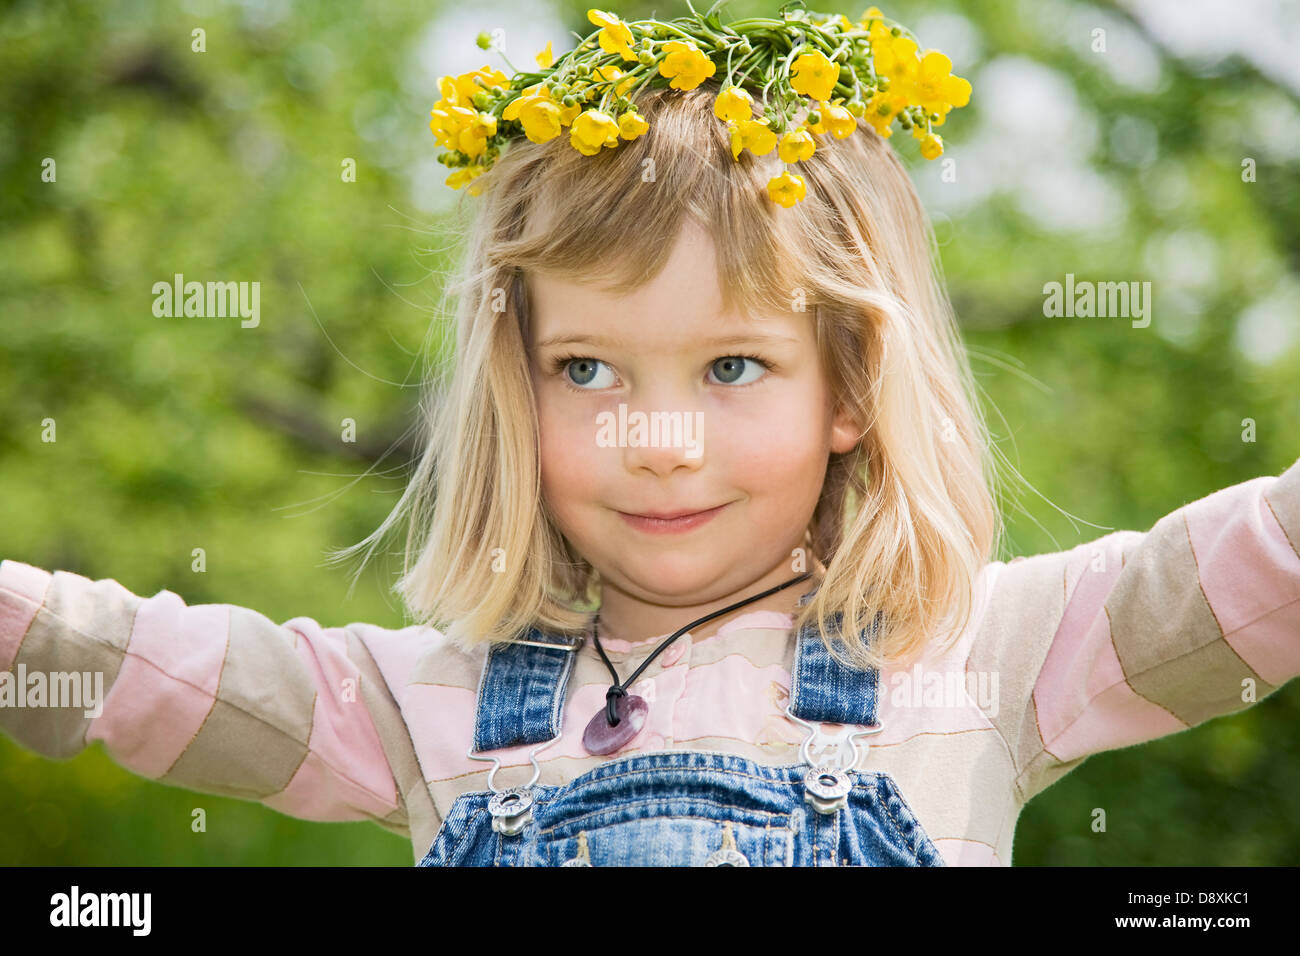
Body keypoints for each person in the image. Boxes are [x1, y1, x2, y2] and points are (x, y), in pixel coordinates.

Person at [2, 6, 1298, 866]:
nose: (659, 437)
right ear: (519, 390)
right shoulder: (430, 705)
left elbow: (1242, 575)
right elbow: (149, 672)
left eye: (733, 364)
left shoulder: (983, 660)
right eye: (587, 370)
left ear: (849, 387)